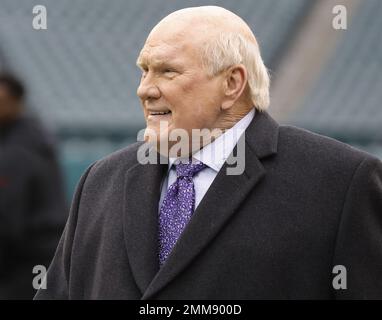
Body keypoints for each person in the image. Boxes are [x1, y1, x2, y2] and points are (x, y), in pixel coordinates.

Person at [35, 6, 382, 299]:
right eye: (144, 71)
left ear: (232, 84)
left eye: (167, 71)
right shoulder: (100, 182)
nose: (145, 89)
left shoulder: (340, 183)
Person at [0, 73, 67, 299]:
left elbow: (7, 222)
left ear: (15, 102)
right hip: (44, 260)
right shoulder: (34, 138)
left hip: (23, 266)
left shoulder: (16, 152)